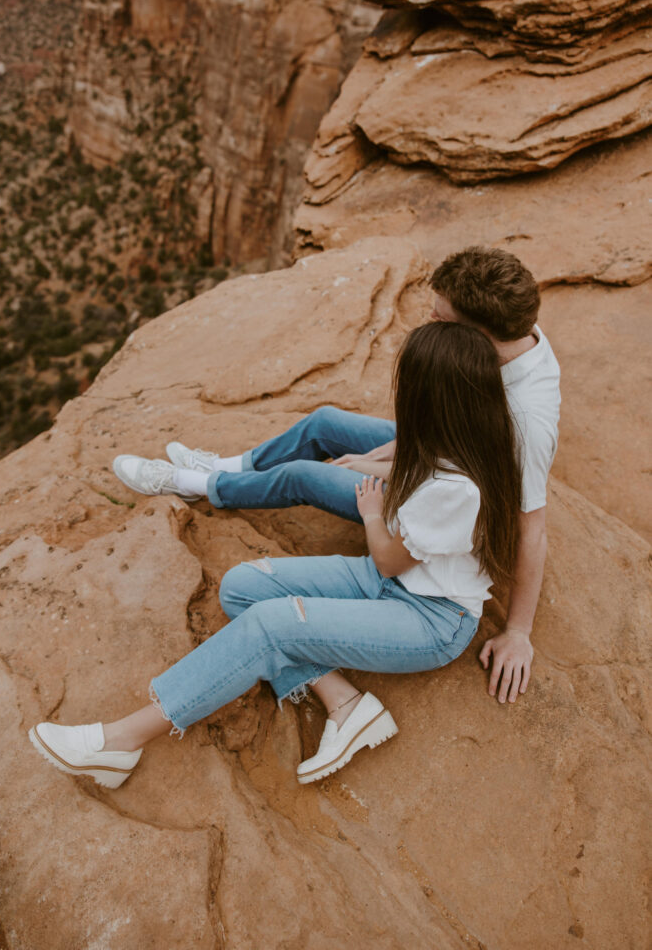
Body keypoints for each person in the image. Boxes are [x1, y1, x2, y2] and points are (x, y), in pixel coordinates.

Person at [29, 322, 521, 788]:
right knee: (243, 588)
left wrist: (372, 512)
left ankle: (121, 741)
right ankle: (345, 704)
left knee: (270, 626)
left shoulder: (460, 488)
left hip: (430, 617)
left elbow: (393, 558)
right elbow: (418, 486)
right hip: (393, 582)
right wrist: (378, 469)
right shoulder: (465, 439)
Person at [112, 247, 561, 707]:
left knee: (304, 476)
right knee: (325, 424)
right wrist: (403, 445)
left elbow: (532, 526)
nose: (426, 318)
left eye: (439, 317)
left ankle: (204, 487)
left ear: (475, 337)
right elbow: (452, 414)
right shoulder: (518, 335)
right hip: (438, 453)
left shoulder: (525, 424)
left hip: (433, 501)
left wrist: (518, 631)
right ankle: (230, 466)